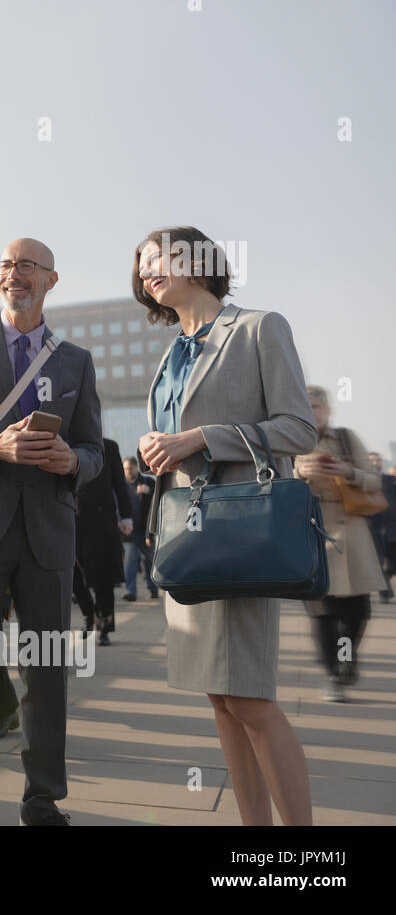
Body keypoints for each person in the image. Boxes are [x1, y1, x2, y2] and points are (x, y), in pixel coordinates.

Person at [133, 225, 315, 826]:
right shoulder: (171, 353)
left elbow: (298, 428)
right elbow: (178, 443)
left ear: (200, 261)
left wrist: (201, 438)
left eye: (158, 256)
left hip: (243, 536)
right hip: (189, 539)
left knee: (250, 698)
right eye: (141, 263)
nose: (147, 269)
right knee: (221, 700)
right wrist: (155, 450)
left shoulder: (261, 327)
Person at [0, 237, 103, 826]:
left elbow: (94, 449)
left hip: (50, 538)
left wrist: (73, 462)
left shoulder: (75, 360)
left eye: (27, 266)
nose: (14, 274)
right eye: (6, 265)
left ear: (51, 281)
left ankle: (42, 801)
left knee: (47, 674)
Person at [294, 388, 387, 701]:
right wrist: (298, 471)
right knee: (323, 612)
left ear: (328, 409)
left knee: (358, 611)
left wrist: (348, 472)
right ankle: (333, 674)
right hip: (311, 533)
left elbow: (375, 480)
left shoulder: (347, 439)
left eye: (317, 406)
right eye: (306, 406)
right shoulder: (290, 440)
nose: (313, 411)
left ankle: (347, 659)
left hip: (352, 533)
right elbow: (270, 482)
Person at [73, 437, 132, 645]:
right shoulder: (66, 441)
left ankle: (104, 626)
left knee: (104, 578)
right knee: (74, 576)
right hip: (71, 519)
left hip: (102, 520)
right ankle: (89, 616)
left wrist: (126, 516)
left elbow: (119, 483)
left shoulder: (109, 446)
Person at [121, 455, 160, 600]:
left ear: (136, 467)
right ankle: (130, 591)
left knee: (149, 561)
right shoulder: (122, 486)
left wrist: (148, 492)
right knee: (130, 561)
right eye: (125, 469)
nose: (128, 472)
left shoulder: (147, 482)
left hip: (145, 530)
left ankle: (153, 589)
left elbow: (158, 497)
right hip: (129, 531)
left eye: (130, 468)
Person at [365, 452, 396, 603]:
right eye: (372, 460)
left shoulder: (390, 480)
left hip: (390, 526)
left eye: (378, 460)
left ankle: (385, 584)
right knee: (379, 560)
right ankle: (385, 591)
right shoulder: (360, 481)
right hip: (371, 526)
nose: (375, 462)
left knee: (391, 562)